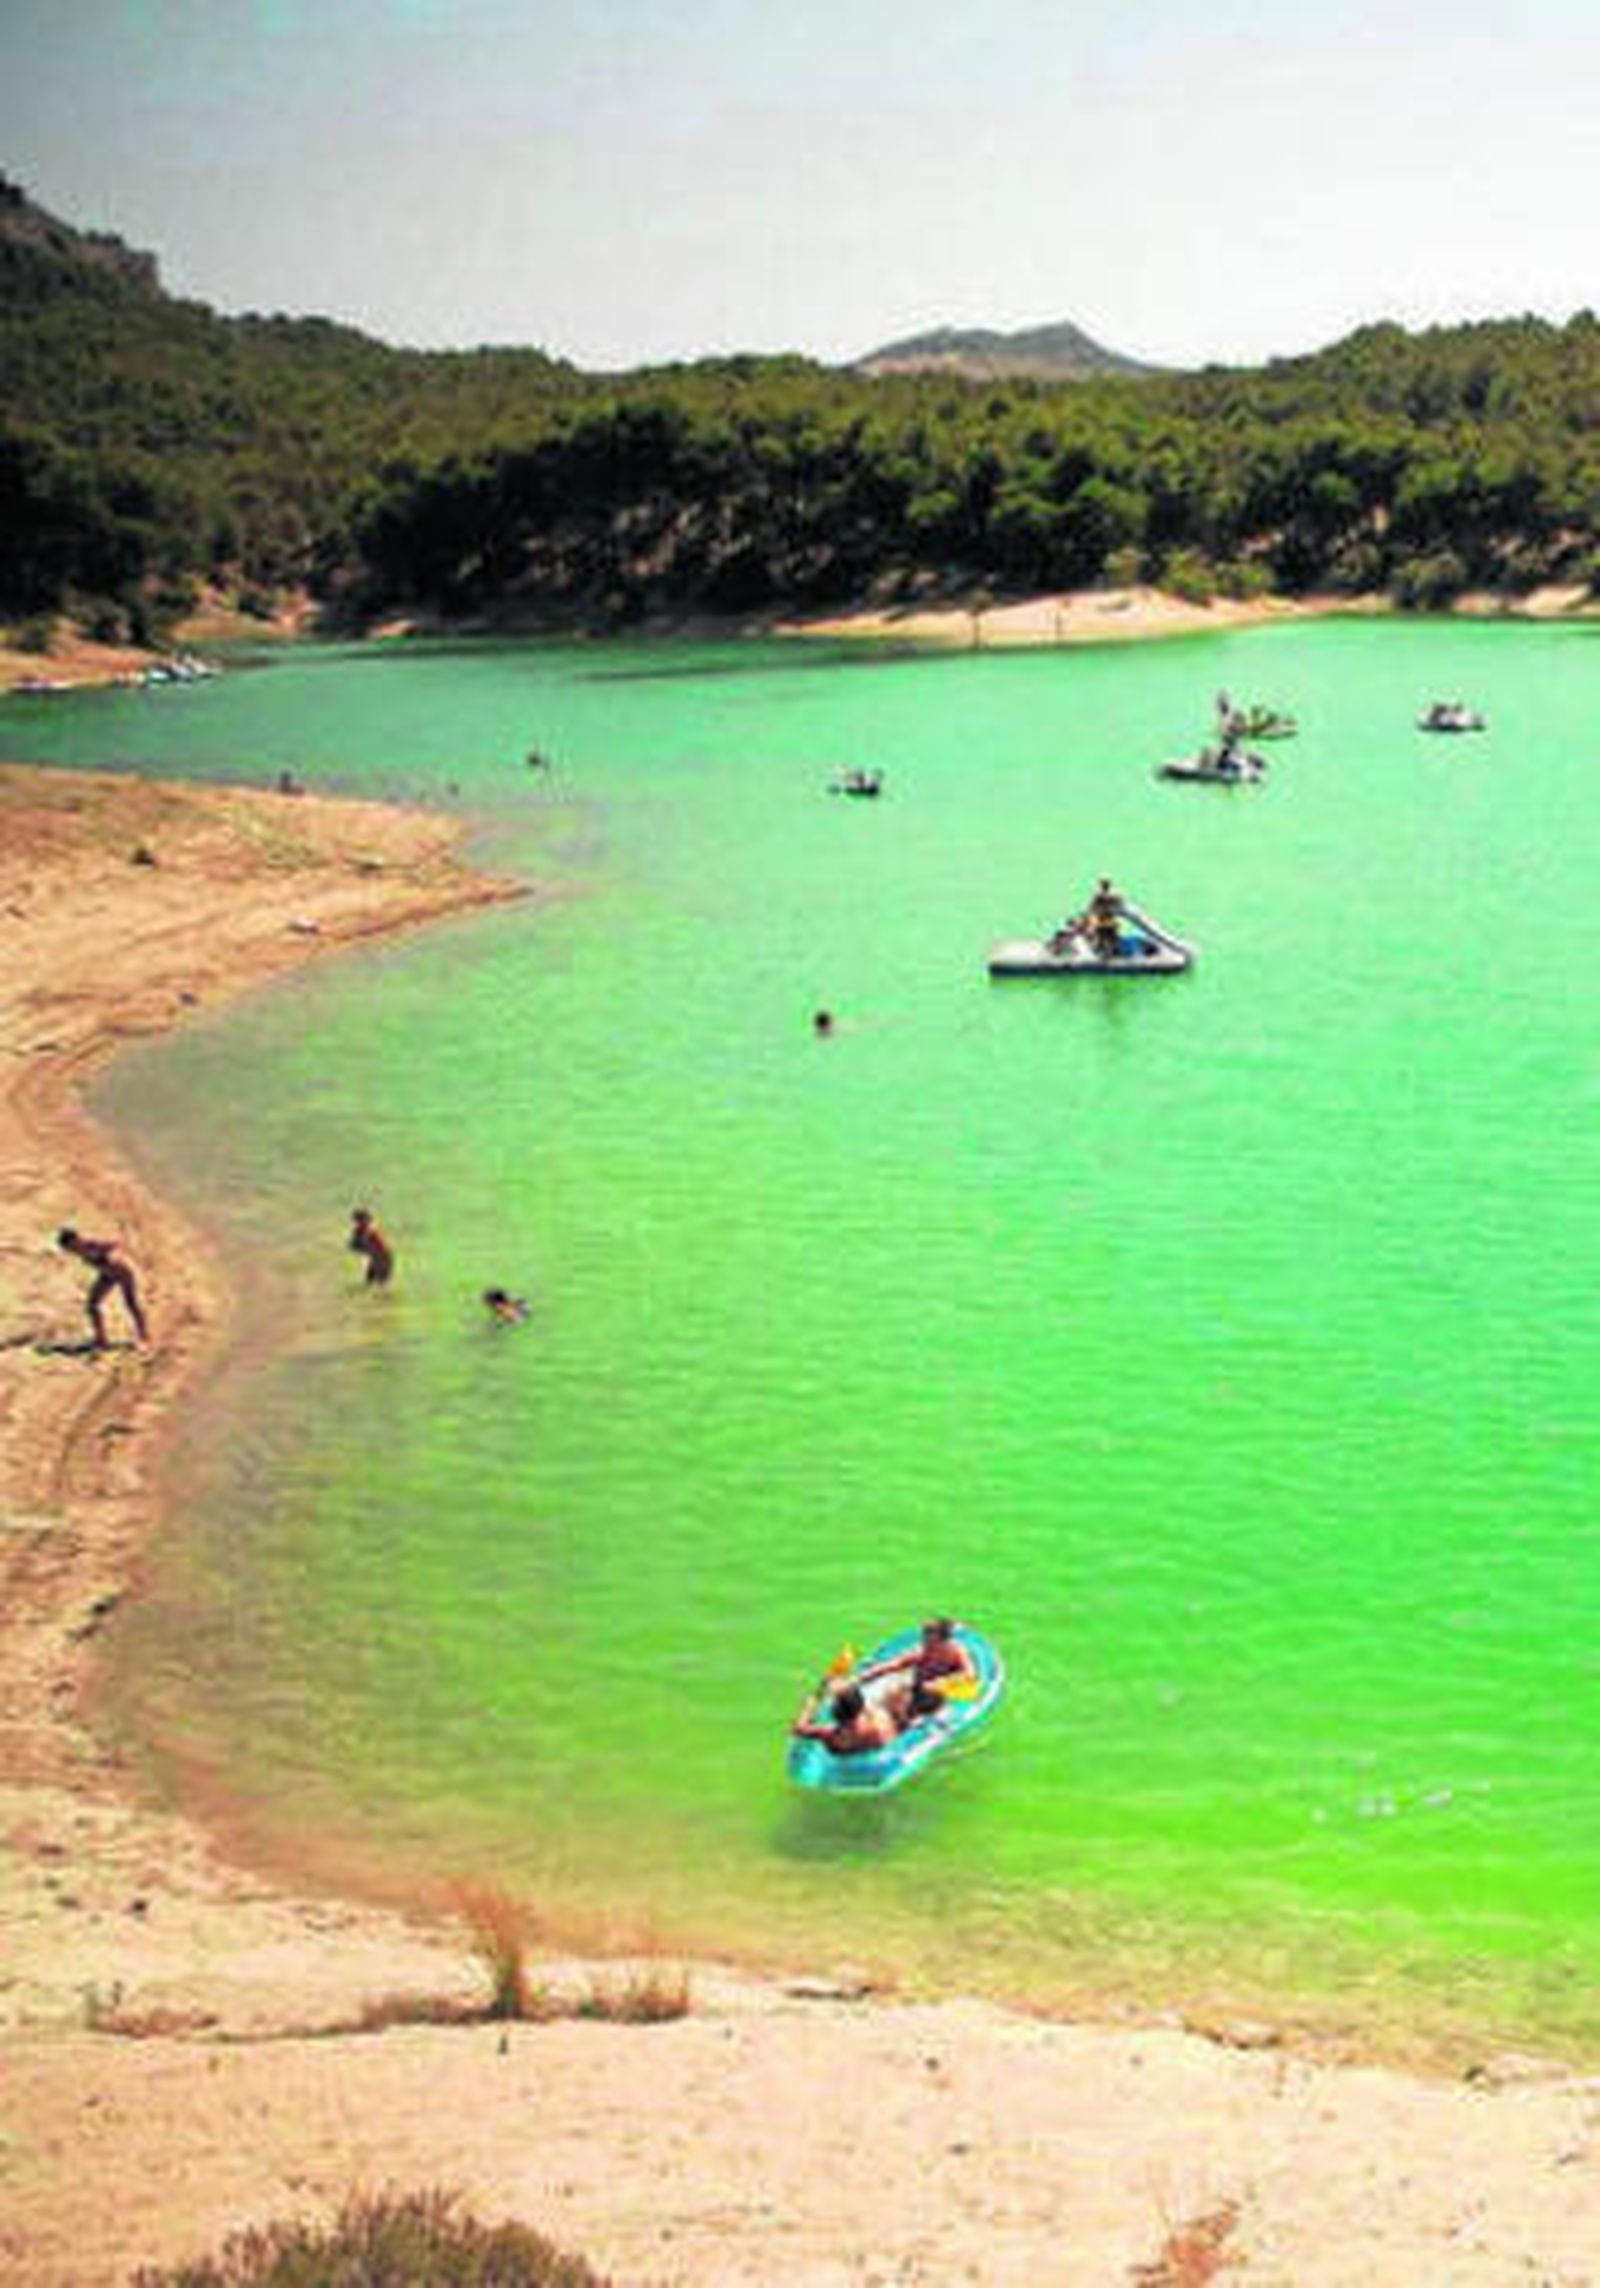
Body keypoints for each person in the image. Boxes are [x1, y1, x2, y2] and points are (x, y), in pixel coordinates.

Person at [860, 1618, 974, 1724]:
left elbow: (969, 1674)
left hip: (938, 1690)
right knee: (897, 1698)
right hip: (918, 1689)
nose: (928, 1647)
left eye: (933, 1644)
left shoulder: (956, 1652)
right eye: (926, 1642)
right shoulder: (922, 1653)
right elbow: (895, 1664)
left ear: (945, 1642)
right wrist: (867, 1675)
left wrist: (940, 1683)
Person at [56, 1228, 148, 1348]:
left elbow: (116, 1245)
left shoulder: (91, 1244)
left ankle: (143, 1336)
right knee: (92, 1305)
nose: (71, 1251)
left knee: (131, 1303)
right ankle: (101, 1339)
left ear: (75, 1240)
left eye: (70, 1247)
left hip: (123, 1274)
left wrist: (114, 1257)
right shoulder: (81, 1253)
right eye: (69, 1250)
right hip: (107, 1276)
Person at [791, 1680, 898, 1757]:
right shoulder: (878, 1719)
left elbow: (798, 1729)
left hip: (843, 1756)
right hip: (871, 1751)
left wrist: (809, 1707)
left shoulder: (831, 1734)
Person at [348, 1207, 394, 1287]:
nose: (353, 1224)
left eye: (355, 1222)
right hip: (376, 1257)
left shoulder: (370, 1230)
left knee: (378, 1280)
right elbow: (354, 1244)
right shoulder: (363, 1230)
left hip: (381, 1258)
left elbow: (360, 1244)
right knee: (371, 1280)